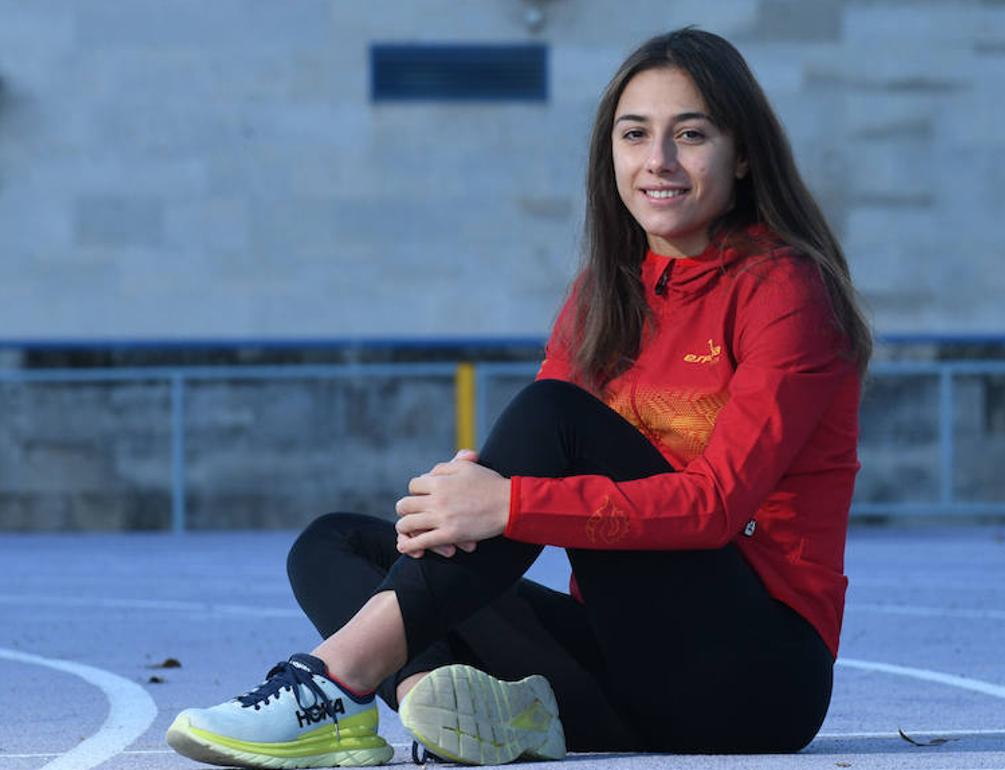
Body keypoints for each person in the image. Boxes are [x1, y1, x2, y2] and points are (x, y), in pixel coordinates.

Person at [166, 26, 871, 768]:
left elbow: (715, 505)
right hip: (625, 669)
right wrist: (468, 502)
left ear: (744, 154)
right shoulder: (604, 297)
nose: (658, 161)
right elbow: (531, 465)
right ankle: (439, 701)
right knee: (337, 544)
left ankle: (332, 682)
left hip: (756, 677)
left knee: (552, 418)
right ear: (611, 155)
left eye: (690, 135)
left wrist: (505, 503)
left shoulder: (786, 290)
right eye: (635, 136)